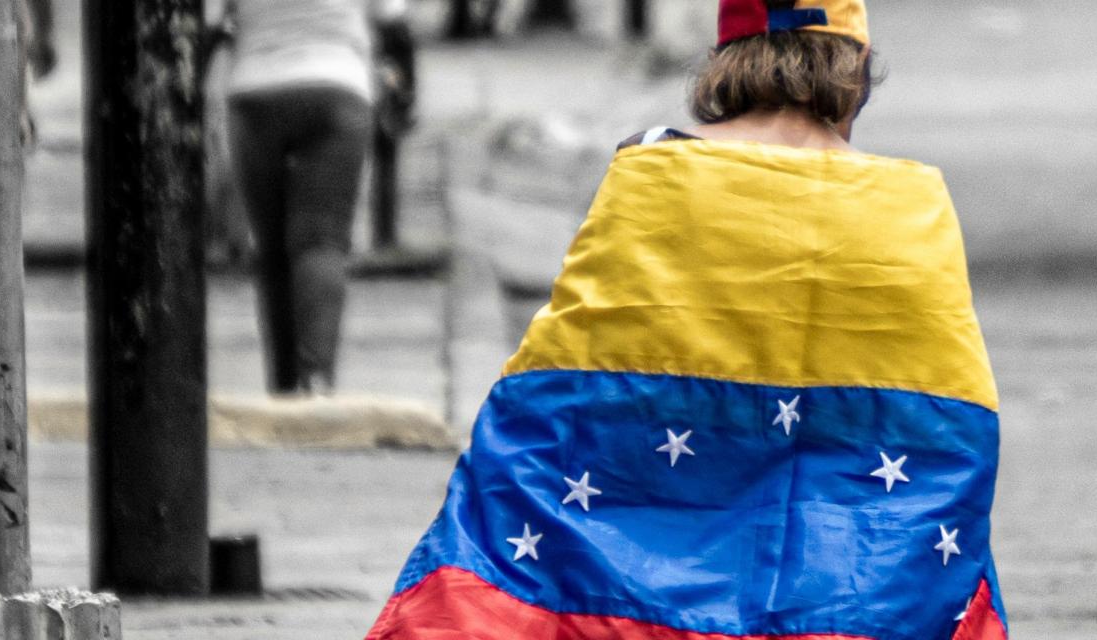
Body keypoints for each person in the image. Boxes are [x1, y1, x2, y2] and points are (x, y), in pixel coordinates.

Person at [368, 1, 1010, 638]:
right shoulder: (910, 204)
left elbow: (565, 372)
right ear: (856, 69)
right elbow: (948, 418)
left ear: (723, 62)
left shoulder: (648, 166)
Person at [219, 0, 411, 395]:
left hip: (255, 95)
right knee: (321, 241)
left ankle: (283, 383)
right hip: (338, 90)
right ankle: (317, 379)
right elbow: (395, 28)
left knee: (272, 249)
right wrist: (406, 95)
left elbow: (206, 26)